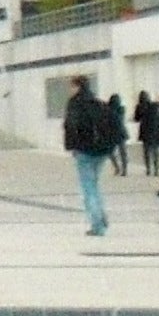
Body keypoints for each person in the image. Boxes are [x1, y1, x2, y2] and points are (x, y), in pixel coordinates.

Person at [63, 75, 117, 236]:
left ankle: (97, 224)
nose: (69, 90)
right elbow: (114, 124)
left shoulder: (75, 104)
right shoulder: (97, 103)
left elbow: (71, 127)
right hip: (101, 151)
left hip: (84, 151)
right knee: (94, 185)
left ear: (78, 86)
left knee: (88, 188)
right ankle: (100, 215)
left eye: (71, 86)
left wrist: (71, 146)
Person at [135, 92, 159, 177]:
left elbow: (136, 119)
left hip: (145, 130)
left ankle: (148, 169)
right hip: (155, 130)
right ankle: (156, 169)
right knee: (155, 151)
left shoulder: (139, 107)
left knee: (146, 151)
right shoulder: (154, 105)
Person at [107, 93, 130, 177]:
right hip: (121, 133)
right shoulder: (121, 109)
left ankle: (117, 167)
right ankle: (124, 169)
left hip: (112, 133)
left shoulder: (109, 109)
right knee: (123, 152)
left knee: (111, 152)